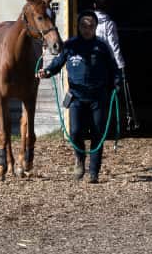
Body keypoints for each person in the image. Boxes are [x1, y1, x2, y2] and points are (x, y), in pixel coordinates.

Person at [36, 10, 121, 183]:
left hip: (98, 97)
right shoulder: (70, 45)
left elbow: (114, 68)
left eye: (91, 25)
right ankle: (80, 160)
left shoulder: (102, 47)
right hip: (76, 97)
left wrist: (117, 83)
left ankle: (94, 172)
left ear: (96, 27)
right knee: (75, 132)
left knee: (98, 135)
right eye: (83, 25)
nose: (87, 28)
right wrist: (47, 71)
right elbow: (57, 63)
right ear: (78, 26)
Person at [93, 0, 138, 130]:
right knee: (115, 91)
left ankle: (96, 123)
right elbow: (114, 45)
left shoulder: (89, 22)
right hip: (108, 62)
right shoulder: (109, 24)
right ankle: (117, 121)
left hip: (94, 61)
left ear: (94, 6)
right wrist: (121, 64)